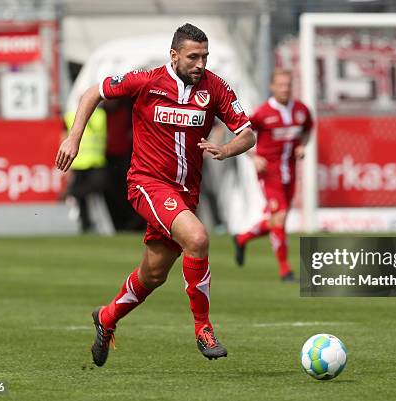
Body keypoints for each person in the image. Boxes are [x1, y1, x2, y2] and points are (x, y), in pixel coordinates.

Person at [55, 23, 255, 367]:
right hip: (147, 184)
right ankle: (203, 328)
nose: (200, 64)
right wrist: (74, 137)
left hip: (184, 195)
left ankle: (106, 318)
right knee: (198, 237)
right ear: (174, 56)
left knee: (153, 274)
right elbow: (92, 93)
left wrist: (226, 149)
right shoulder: (147, 81)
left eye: (205, 57)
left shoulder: (215, 87)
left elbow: (248, 134)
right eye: (193, 57)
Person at [233, 69, 313, 281]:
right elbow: (242, 133)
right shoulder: (262, 113)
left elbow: (308, 129)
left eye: (288, 85)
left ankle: (242, 238)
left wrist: (302, 146)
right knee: (280, 216)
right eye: (280, 85)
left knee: (278, 220)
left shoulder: (301, 110)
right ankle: (285, 270)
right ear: (272, 87)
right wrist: (253, 156)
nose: (285, 89)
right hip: (269, 171)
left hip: (290, 171)